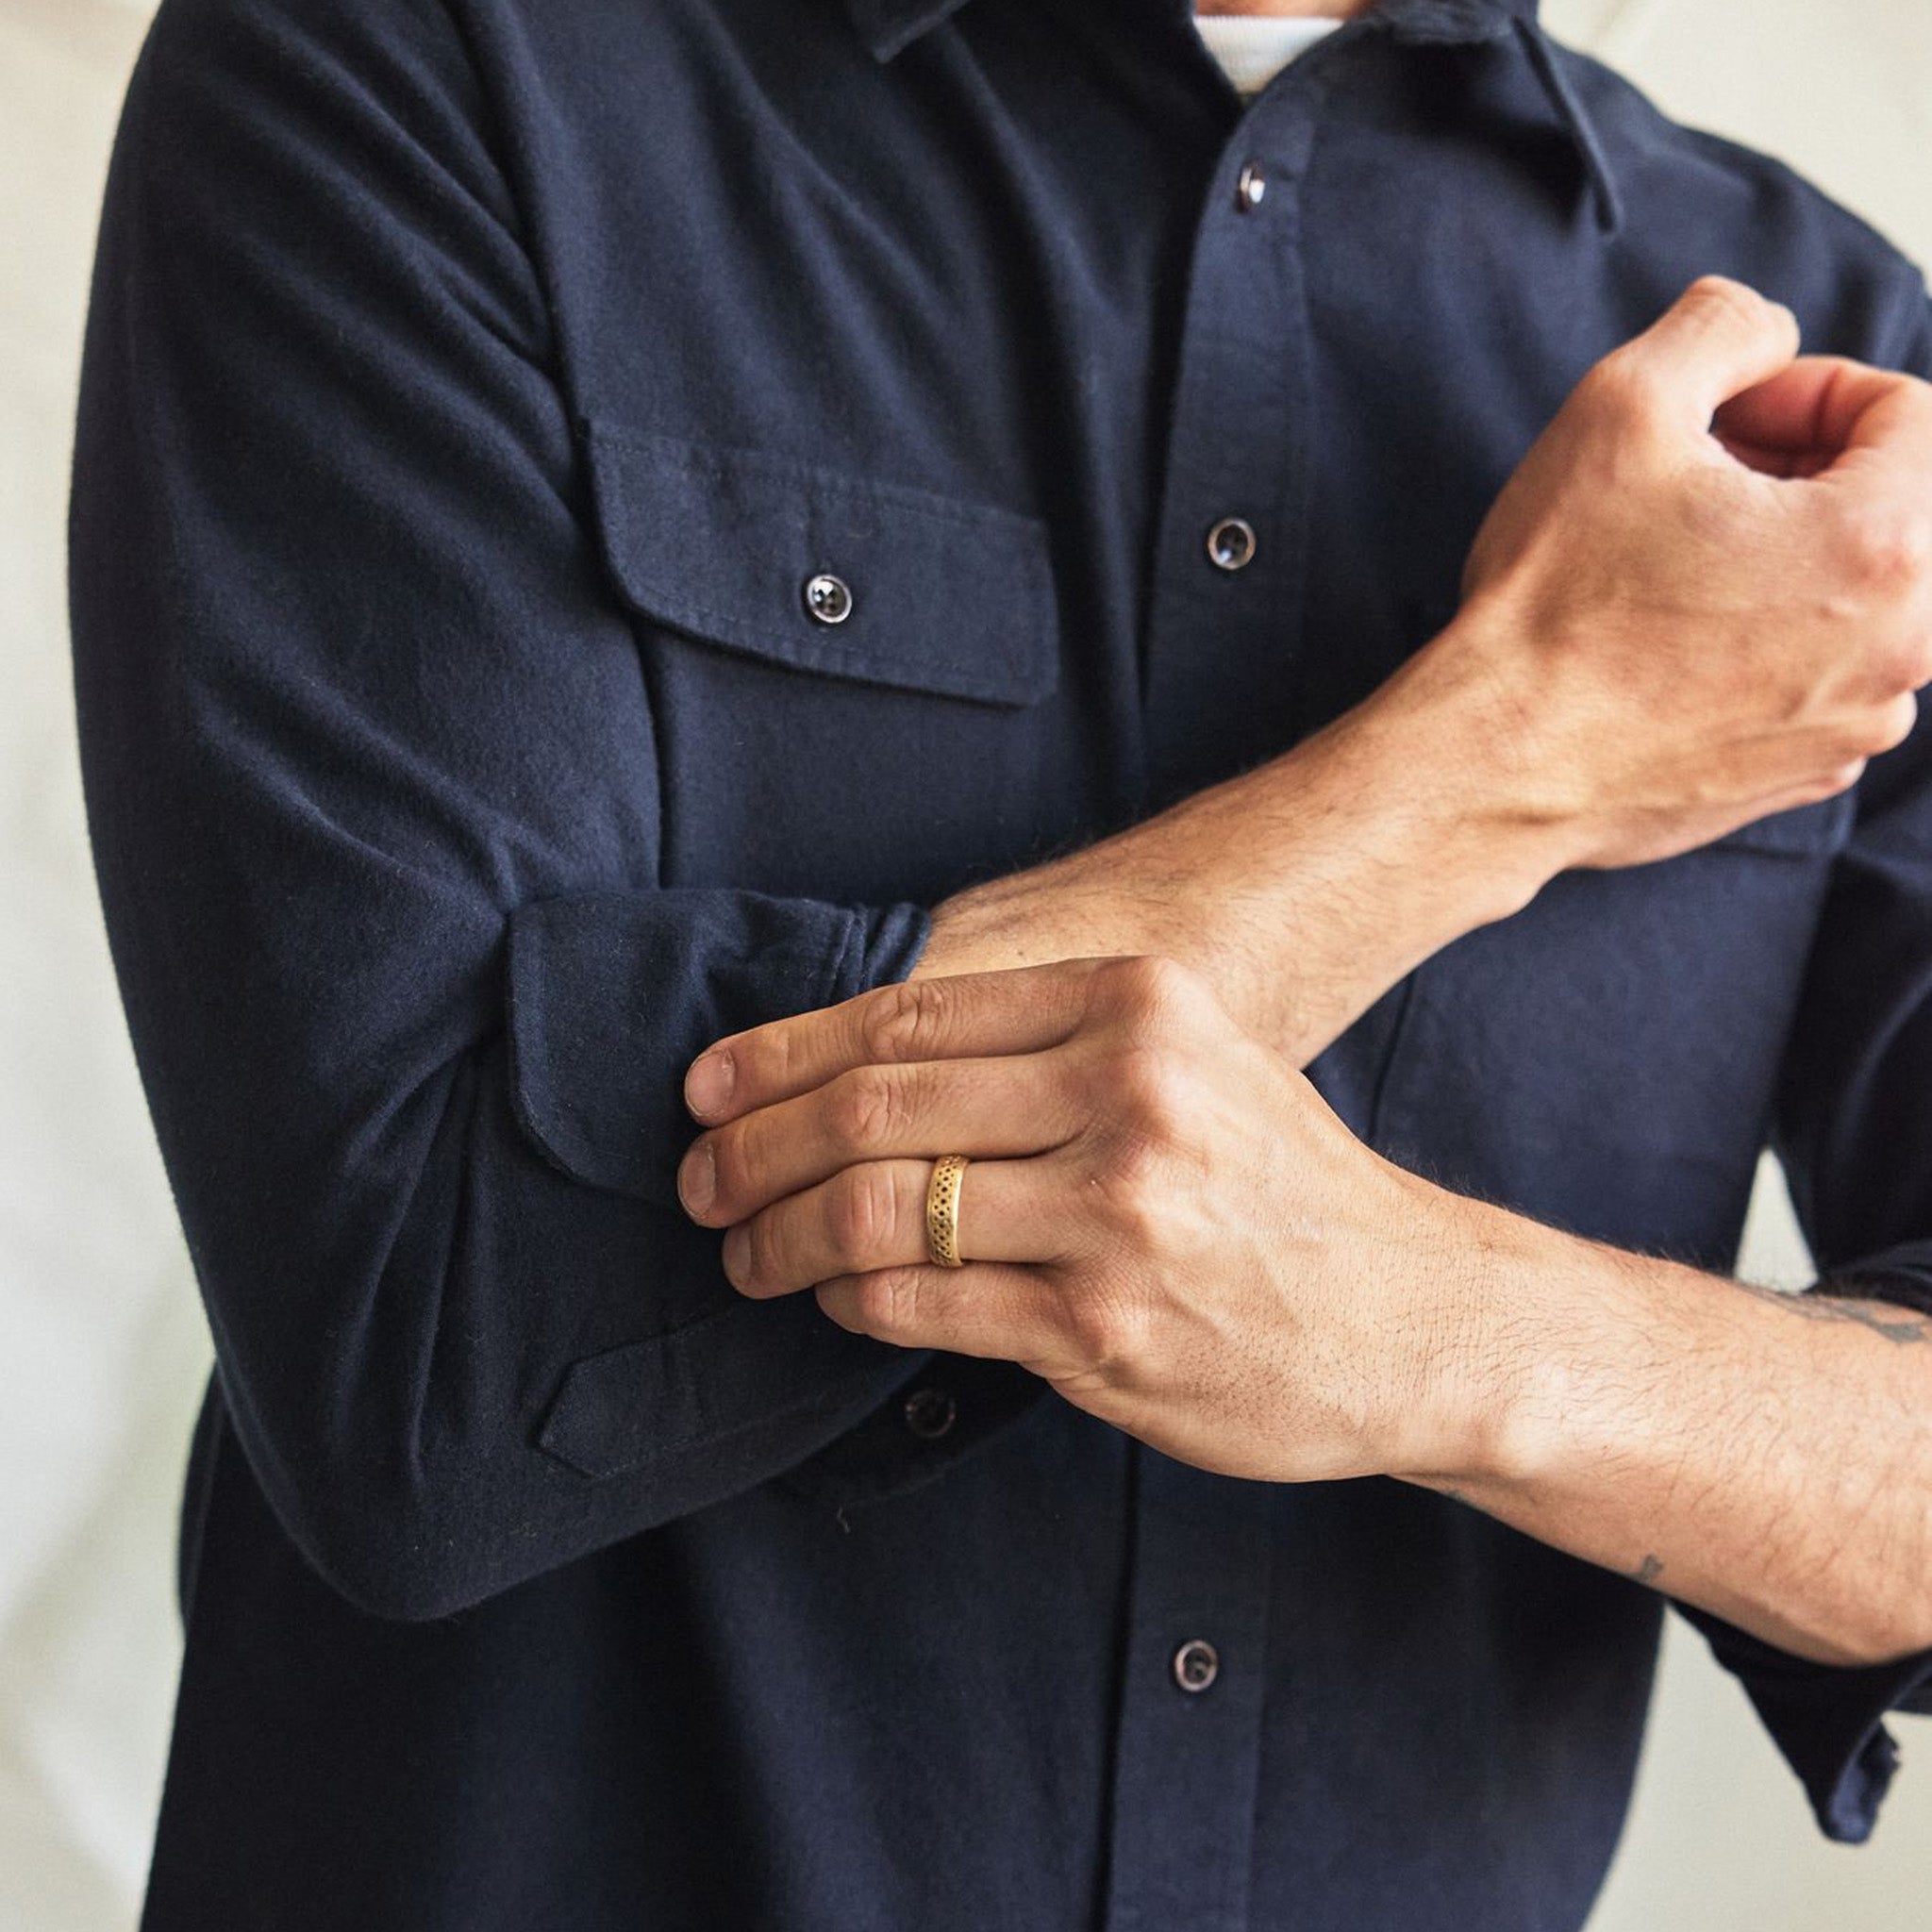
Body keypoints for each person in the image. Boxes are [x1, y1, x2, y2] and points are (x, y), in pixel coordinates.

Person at [68, 0, 1932, 1924]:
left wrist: (1434, 1327)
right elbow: (414, 1371)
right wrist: (1505, 755)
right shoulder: (409, 69)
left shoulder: (1845, 421)